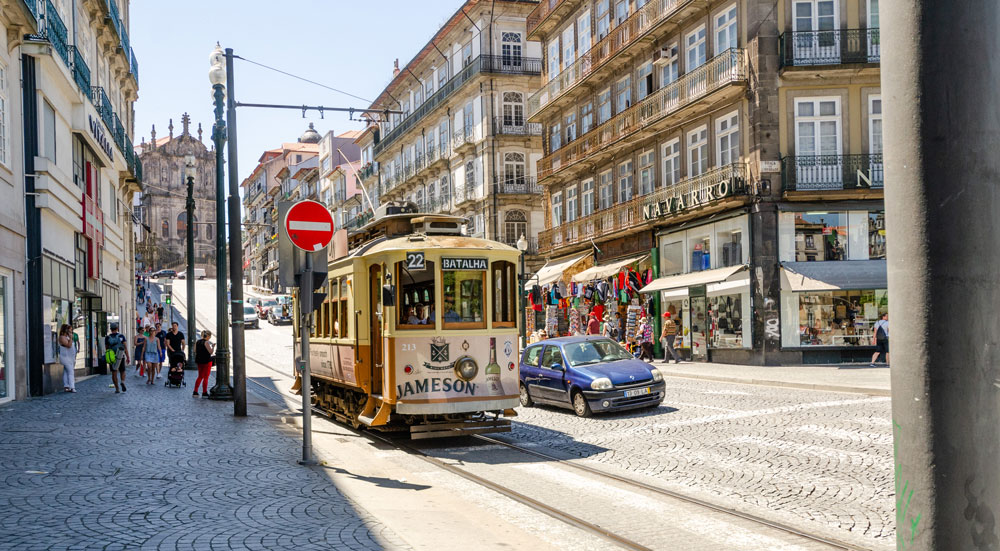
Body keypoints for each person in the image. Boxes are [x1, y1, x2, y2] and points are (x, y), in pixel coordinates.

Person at [104, 322, 129, 393]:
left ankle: (117, 388)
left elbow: (106, 348)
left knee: (114, 372)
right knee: (122, 370)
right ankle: (123, 381)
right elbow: (125, 347)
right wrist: (128, 356)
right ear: (117, 328)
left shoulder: (108, 338)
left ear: (110, 329)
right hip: (121, 355)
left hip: (112, 357)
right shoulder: (121, 336)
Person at [194, 330, 215, 397]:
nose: (210, 338)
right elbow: (211, 352)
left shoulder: (197, 342)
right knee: (206, 377)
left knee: (200, 376)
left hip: (199, 361)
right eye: (210, 336)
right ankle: (204, 392)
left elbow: (195, 350)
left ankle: (195, 391)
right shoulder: (206, 343)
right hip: (206, 361)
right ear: (208, 336)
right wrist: (213, 347)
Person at [57, 324, 77, 393]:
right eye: (70, 330)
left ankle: (66, 386)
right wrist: (71, 338)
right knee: (71, 372)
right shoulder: (62, 337)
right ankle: (72, 387)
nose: (71, 331)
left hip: (70, 357)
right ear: (66, 330)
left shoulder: (67, 337)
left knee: (66, 372)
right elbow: (69, 345)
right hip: (65, 358)